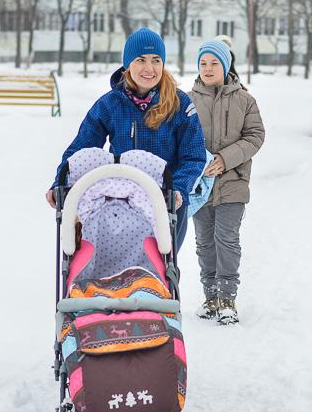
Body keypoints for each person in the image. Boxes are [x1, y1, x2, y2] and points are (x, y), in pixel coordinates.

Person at [46, 27, 207, 250]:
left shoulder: (180, 104)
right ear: (128, 64)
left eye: (156, 60)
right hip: (121, 200)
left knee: (161, 264)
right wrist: (60, 183)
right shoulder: (110, 104)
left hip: (166, 202)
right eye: (141, 60)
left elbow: (194, 155)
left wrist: (177, 188)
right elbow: (81, 149)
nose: (149, 68)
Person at [188, 39, 265, 325]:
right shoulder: (187, 100)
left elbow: (255, 136)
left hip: (233, 182)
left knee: (227, 240)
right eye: (203, 63)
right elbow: (179, 138)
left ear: (226, 66)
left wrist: (225, 158)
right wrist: (198, 164)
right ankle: (210, 297)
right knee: (204, 243)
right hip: (200, 187)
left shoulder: (244, 100)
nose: (208, 69)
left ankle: (227, 299)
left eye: (214, 63)